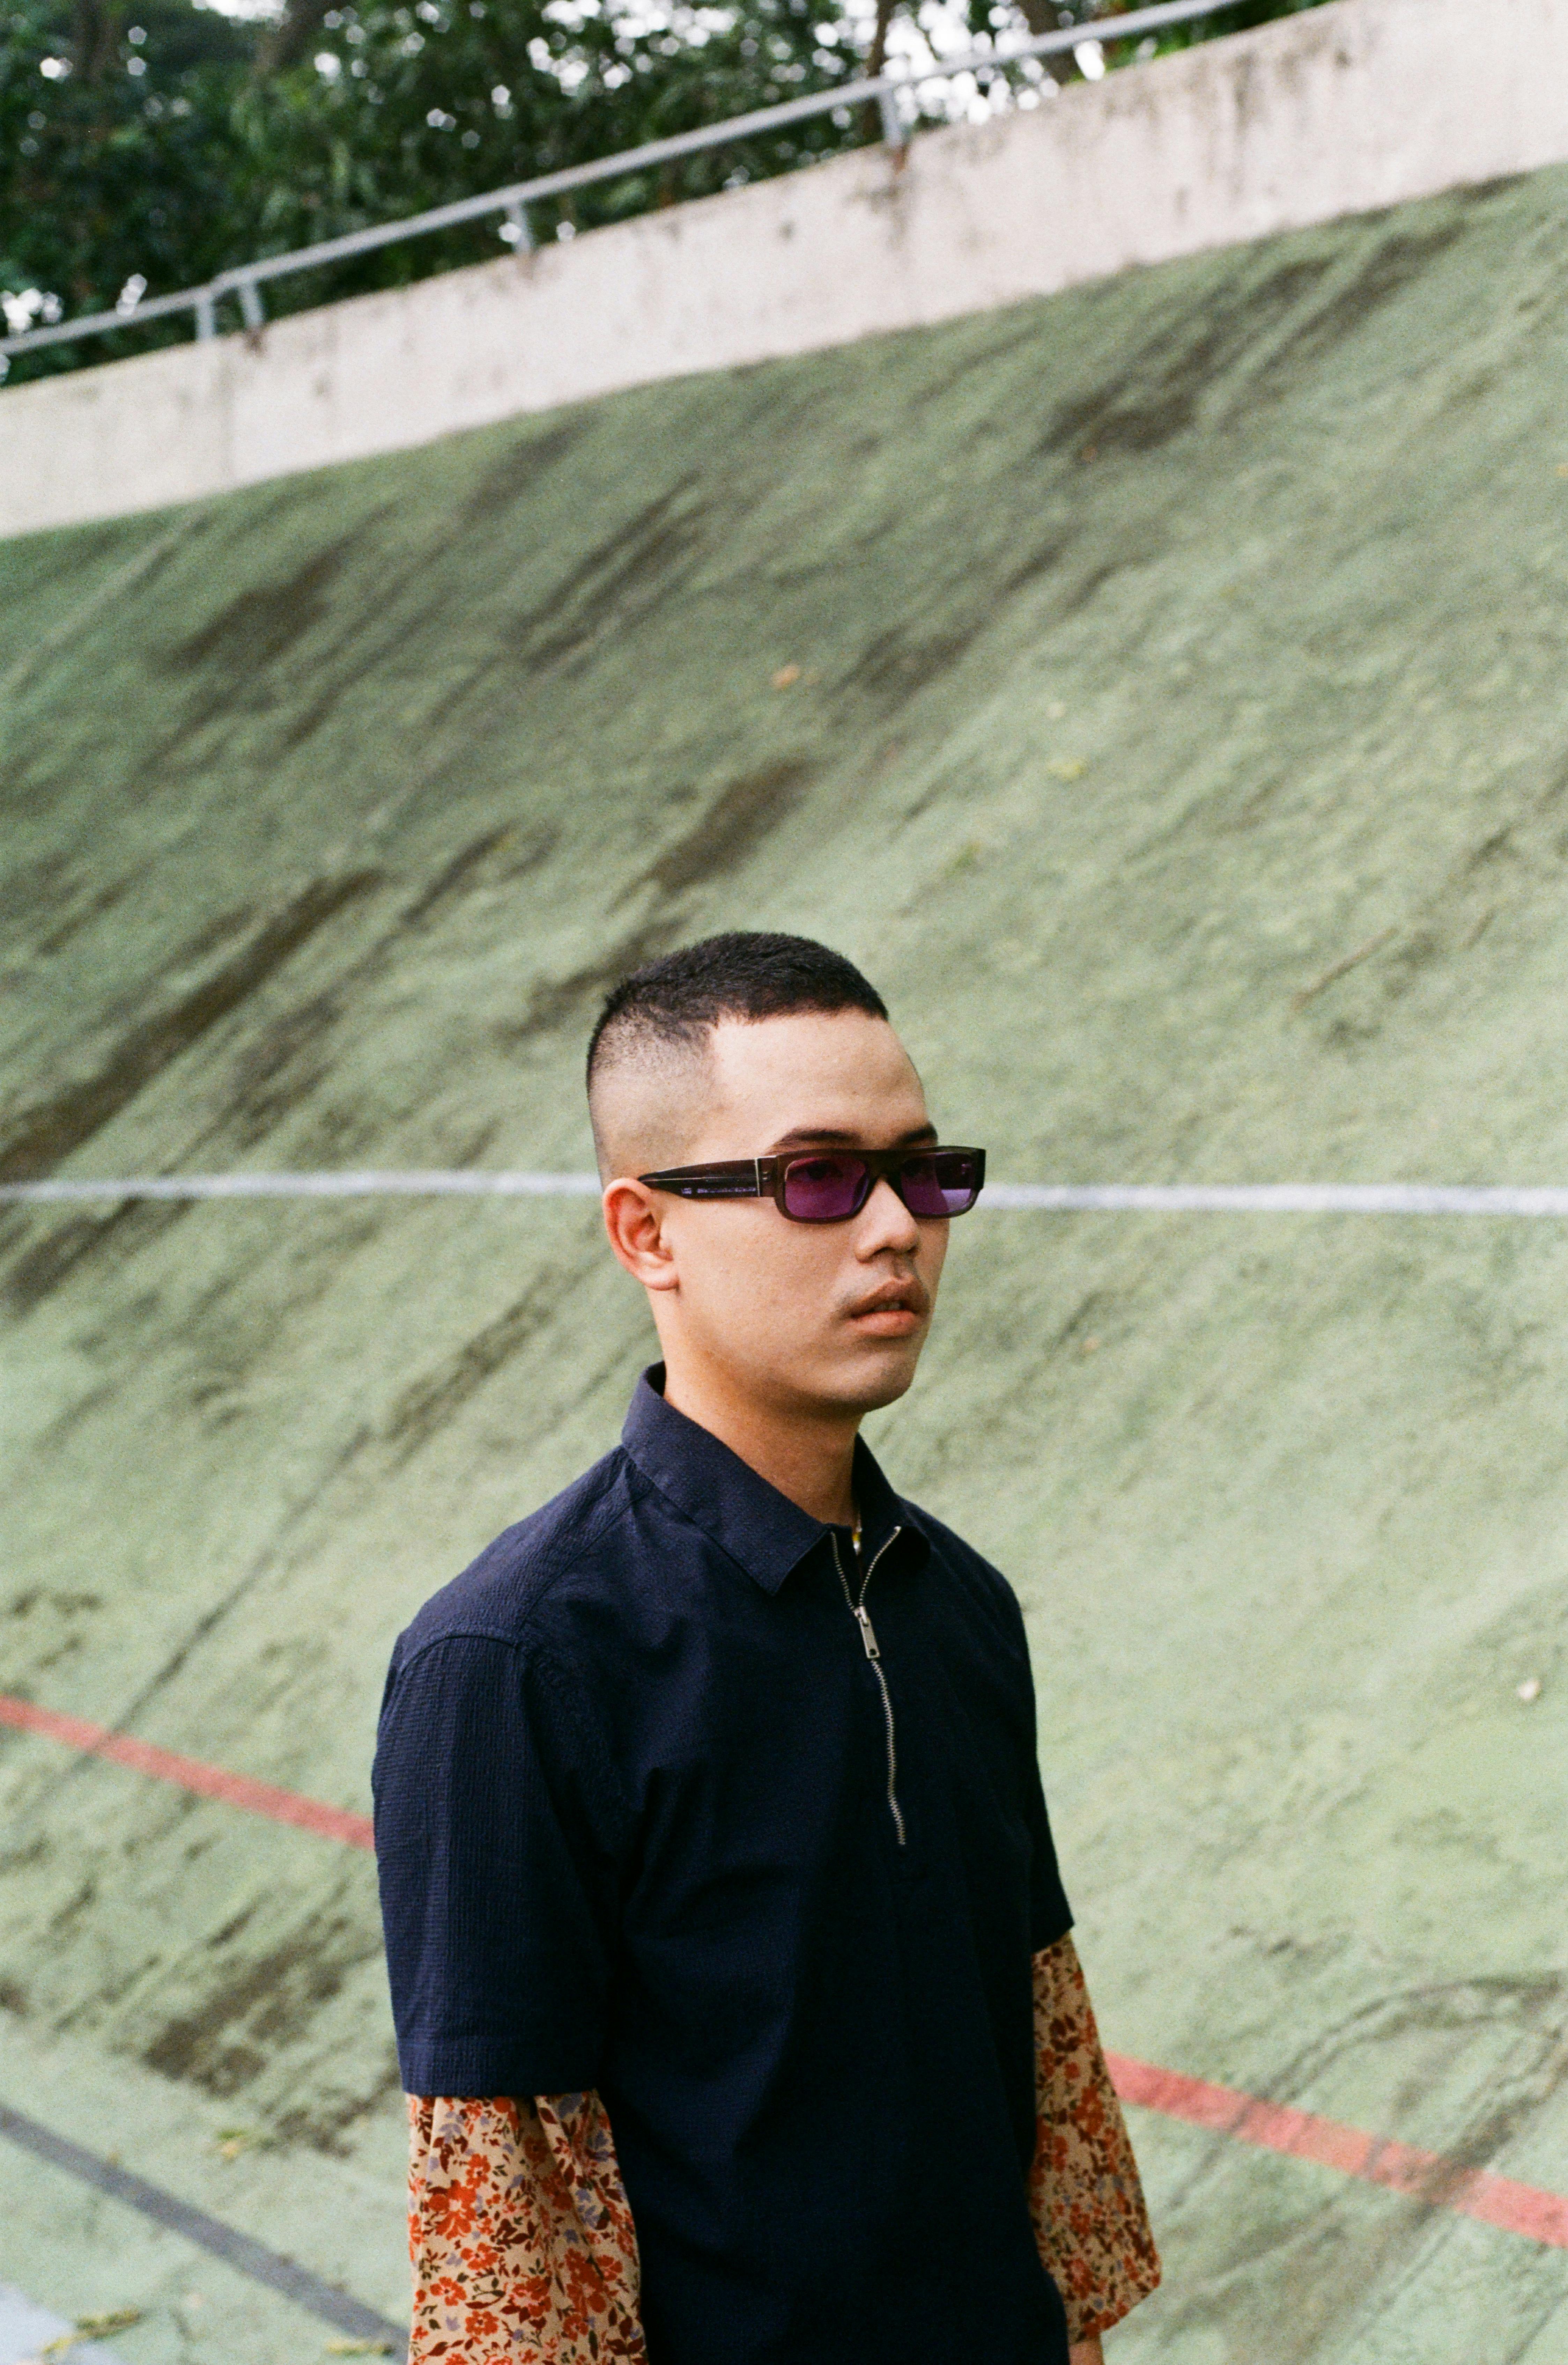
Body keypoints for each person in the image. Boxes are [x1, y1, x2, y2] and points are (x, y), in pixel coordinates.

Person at [373, 931, 1160, 2365]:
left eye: (922, 1170)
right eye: (816, 1177)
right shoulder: (513, 1663)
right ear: (645, 1230)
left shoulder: (959, 1605)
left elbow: (1043, 2076)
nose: (892, 1229)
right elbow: (512, 2235)